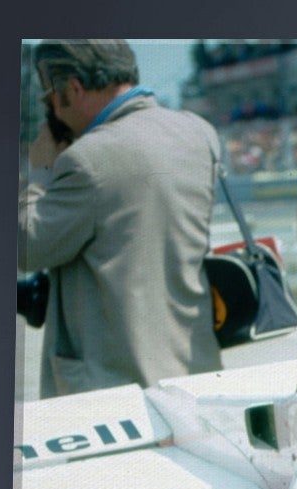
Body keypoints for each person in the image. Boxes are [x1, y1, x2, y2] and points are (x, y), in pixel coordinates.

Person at [19, 40, 222, 396]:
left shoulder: (86, 160)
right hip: (193, 366)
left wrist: (39, 172)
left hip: (112, 384)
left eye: (50, 94)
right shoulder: (199, 132)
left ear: (73, 88)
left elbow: (27, 248)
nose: (51, 108)